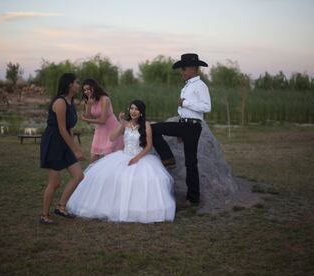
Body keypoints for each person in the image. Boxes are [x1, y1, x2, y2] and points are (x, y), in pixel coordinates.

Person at [66, 100, 176, 223]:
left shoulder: (146, 125)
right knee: (111, 177)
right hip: (124, 155)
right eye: (132, 108)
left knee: (146, 180)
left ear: (141, 112)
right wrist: (120, 123)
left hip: (140, 157)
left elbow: (149, 146)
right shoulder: (125, 124)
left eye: (136, 109)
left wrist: (137, 158)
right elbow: (112, 137)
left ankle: (138, 209)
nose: (133, 111)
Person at [151, 53, 211, 208]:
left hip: (193, 127)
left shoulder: (200, 86)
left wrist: (185, 102)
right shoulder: (187, 86)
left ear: (193, 69)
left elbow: (207, 107)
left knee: (191, 163)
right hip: (183, 125)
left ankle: (193, 198)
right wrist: (180, 127)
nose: (181, 72)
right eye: (181, 69)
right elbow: (185, 110)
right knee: (153, 129)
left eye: (184, 69)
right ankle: (168, 157)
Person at [39, 73, 85, 225]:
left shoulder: (70, 102)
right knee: (55, 182)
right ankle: (44, 216)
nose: (79, 85)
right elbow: (61, 129)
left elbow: (69, 128)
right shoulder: (60, 102)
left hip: (64, 142)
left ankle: (61, 207)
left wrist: (74, 147)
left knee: (78, 175)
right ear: (70, 85)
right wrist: (76, 150)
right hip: (53, 142)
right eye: (77, 83)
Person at [80, 79, 123, 163]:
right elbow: (89, 120)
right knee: (93, 157)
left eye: (88, 89)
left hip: (111, 128)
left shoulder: (104, 99)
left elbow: (103, 120)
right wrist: (88, 105)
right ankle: (93, 176)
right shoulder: (88, 101)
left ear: (94, 88)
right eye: (84, 90)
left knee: (109, 158)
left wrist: (85, 119)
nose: (86, 91)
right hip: (100, 129)